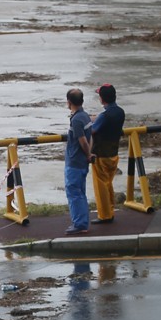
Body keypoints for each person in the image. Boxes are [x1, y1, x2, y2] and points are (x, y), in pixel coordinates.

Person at [91, 84, 125, 224]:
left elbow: (93, 131)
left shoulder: (104, 116)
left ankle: (105, 215)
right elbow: (105, 122)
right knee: (108, 183)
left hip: (101, 155)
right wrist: (97, 118)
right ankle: (110, 210)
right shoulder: (120, 112)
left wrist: (91, 120)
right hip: (113, 153)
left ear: (102, 98)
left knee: (101, 187)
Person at [64, 88, 93, 236]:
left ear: (69, 102)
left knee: (74, 192)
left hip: (75, 161)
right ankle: (82, 222)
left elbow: (82, 140)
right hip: (81, 162)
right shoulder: (85, 116)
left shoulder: (76, 120)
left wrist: (88, 154)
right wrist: (89, 155)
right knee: (80, 193)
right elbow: (90, 138)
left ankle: (80, 224)